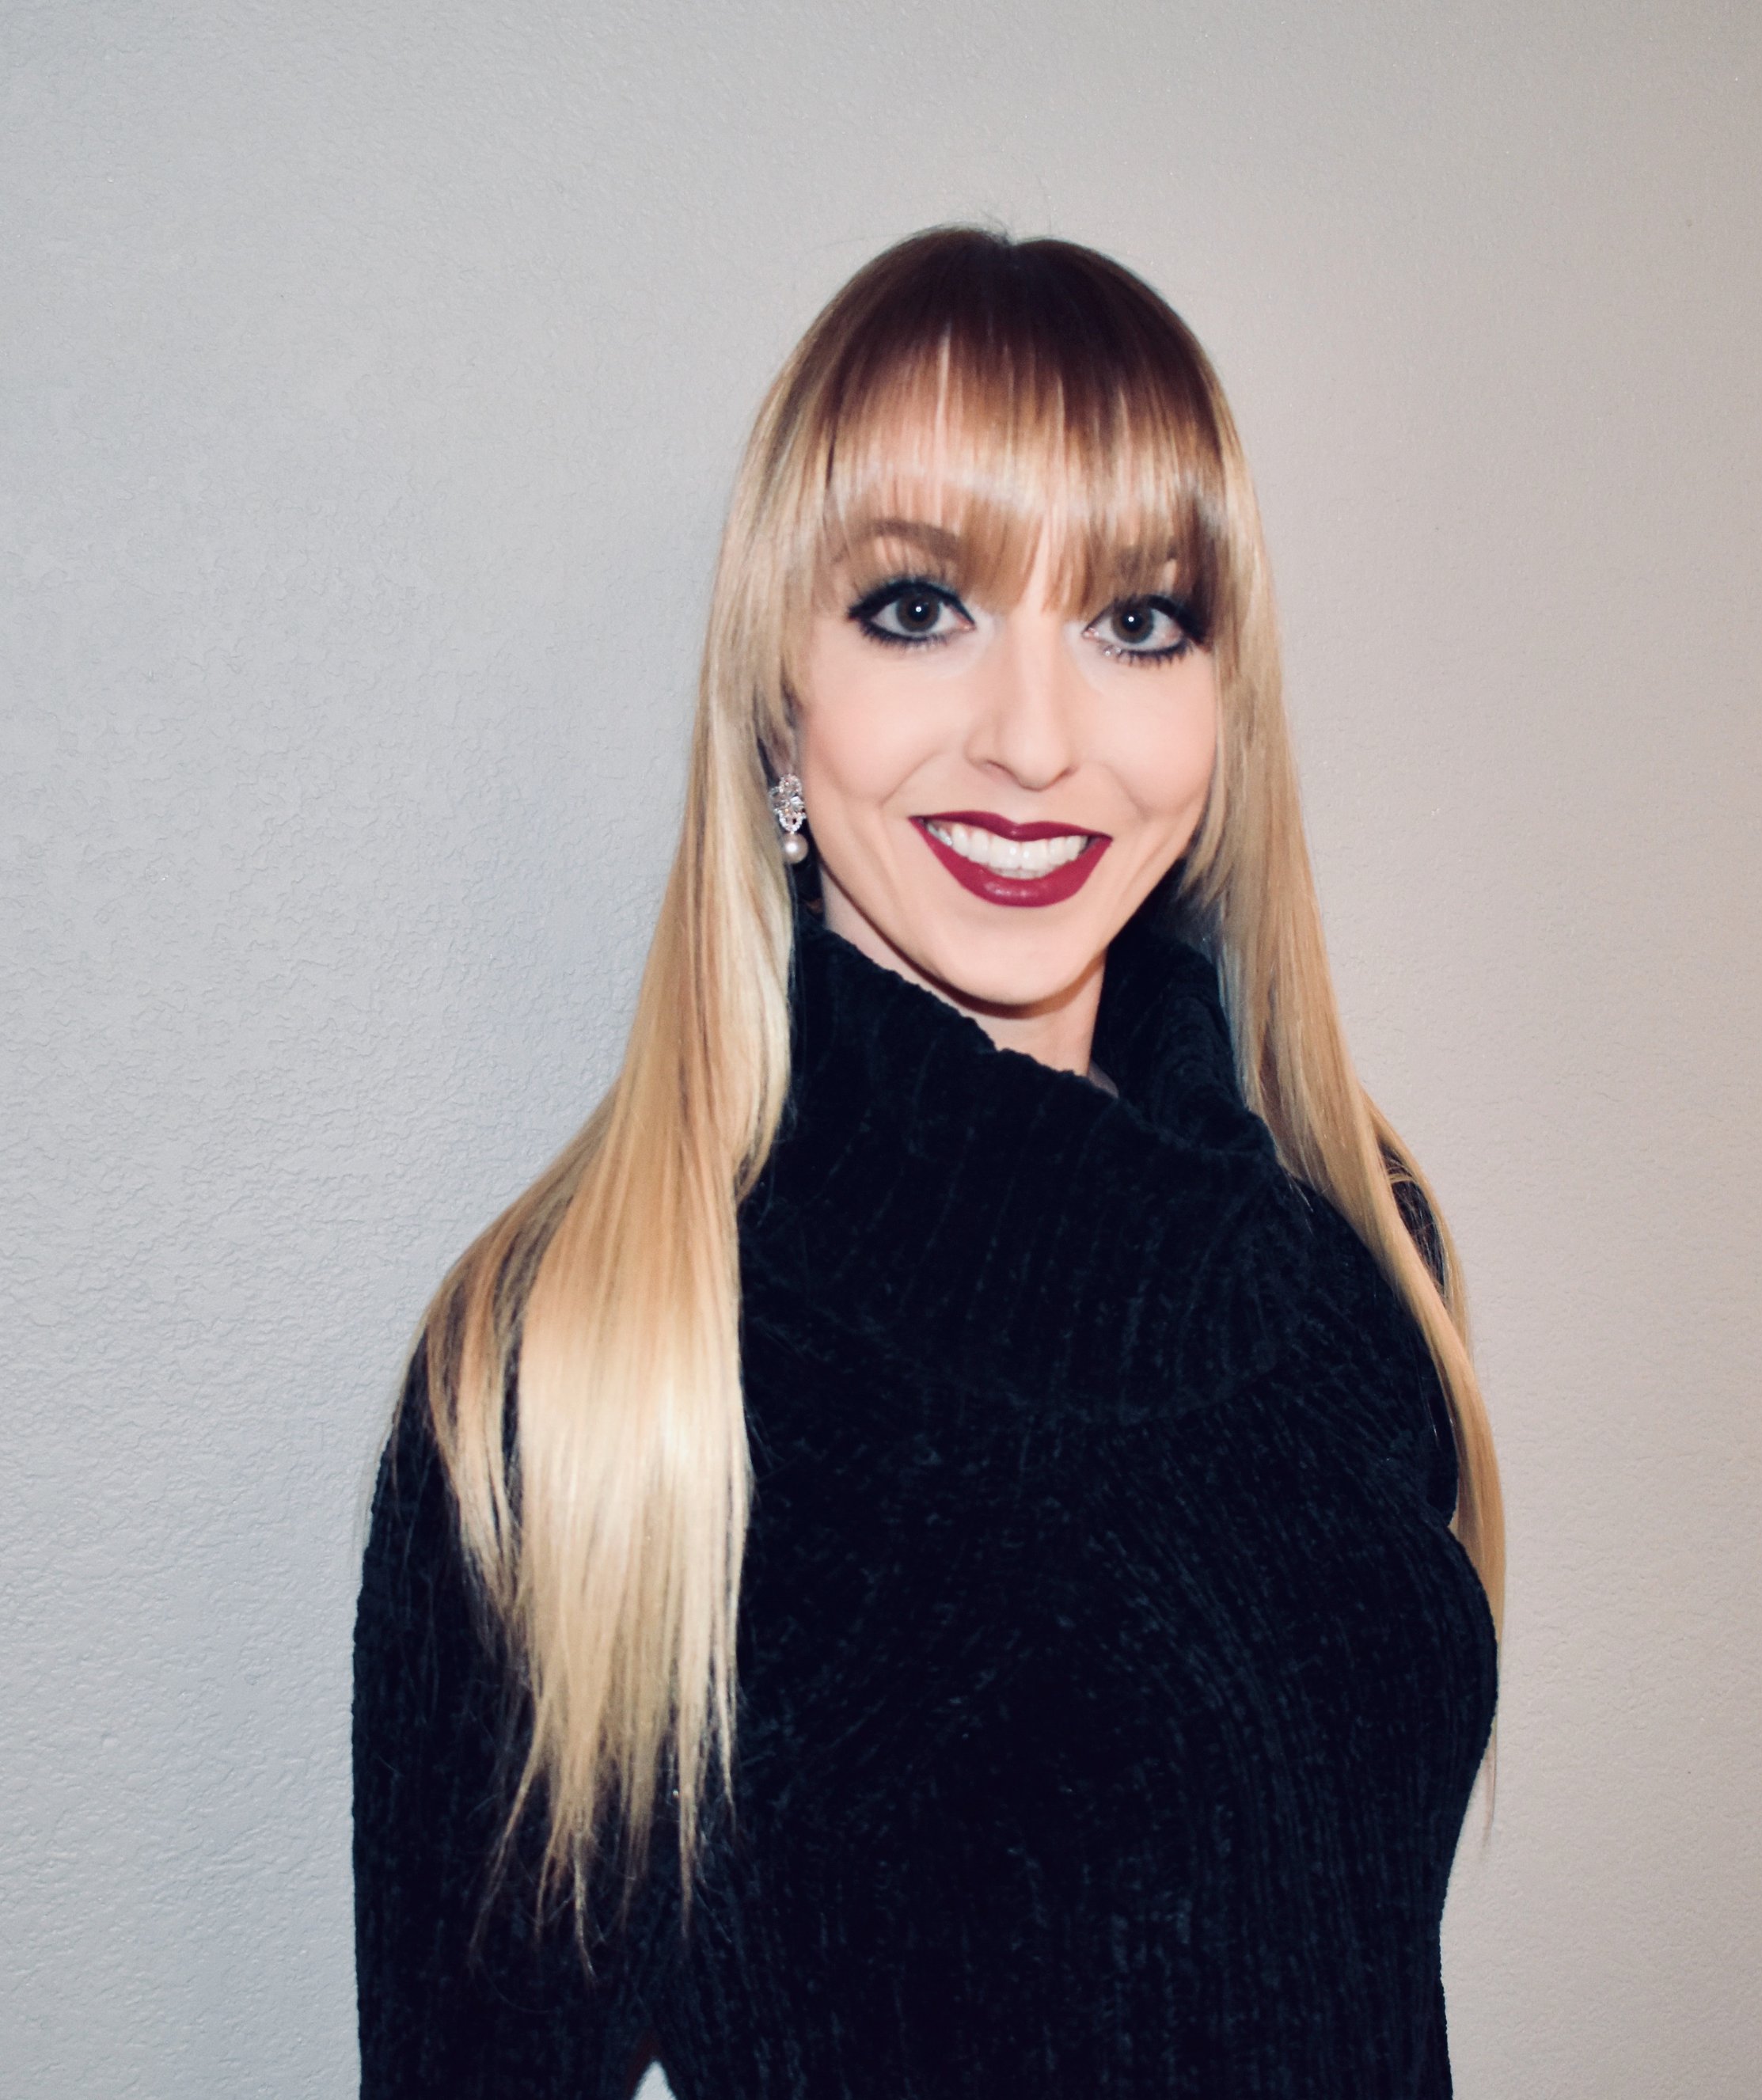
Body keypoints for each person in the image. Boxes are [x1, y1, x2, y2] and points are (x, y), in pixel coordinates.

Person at [352, 226, 1503, 2099]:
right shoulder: (574, 1378)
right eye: (916, 607)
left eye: (1136, 621)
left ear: (1220, 708)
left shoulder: (1358, 1246)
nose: (1034, 742)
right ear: (776, 694)